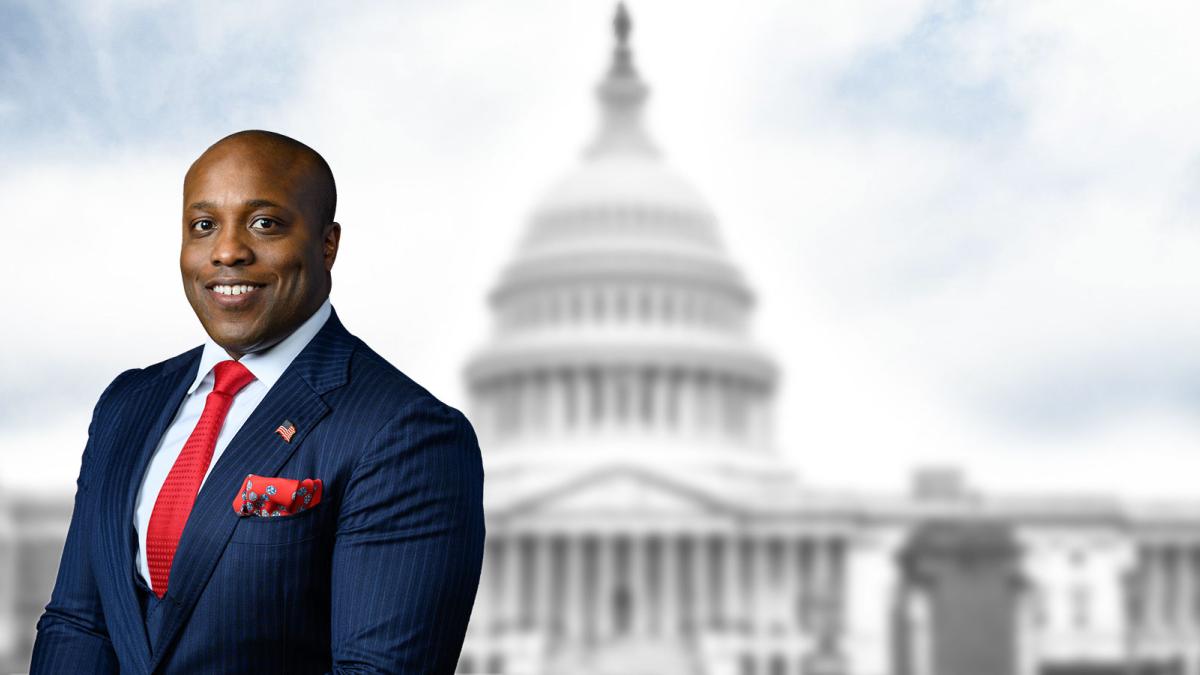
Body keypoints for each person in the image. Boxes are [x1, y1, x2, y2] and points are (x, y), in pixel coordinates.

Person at [30, 130, 485, 673]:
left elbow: (376, 668)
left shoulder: (407, 433)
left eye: (264, 223)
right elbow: (80, 621)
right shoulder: (128, 404)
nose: (226, 251)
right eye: (203, 226)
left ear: (327, 244)